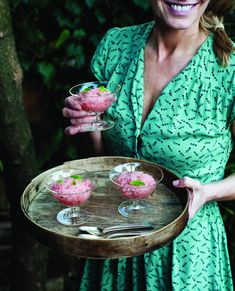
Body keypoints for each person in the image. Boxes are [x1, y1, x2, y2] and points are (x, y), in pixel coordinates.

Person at [62, 0, 235, 290]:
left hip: (186, 255)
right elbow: (105, 161)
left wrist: (208, 192)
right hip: (113, 243)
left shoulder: (228, 71)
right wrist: (89, 124)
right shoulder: (116, 46)